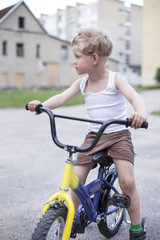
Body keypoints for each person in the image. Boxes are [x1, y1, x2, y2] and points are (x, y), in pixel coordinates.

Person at [28, 27, 147, 240]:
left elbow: (134, 97)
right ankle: (70, 218)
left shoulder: (115, 79)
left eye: (77, 56)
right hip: (94, 136)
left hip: (119, 135)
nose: (74, 61)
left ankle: (136, 229)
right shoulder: (81, 83)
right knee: (76, 178)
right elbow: (61, 97)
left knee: (127, 182)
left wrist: (140, 114)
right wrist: (42, 105)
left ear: (93, 58)